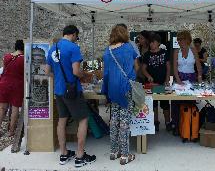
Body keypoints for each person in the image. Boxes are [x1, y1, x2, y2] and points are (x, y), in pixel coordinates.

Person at [46, 25, 96, 167]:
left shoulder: (52, 48)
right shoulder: (73, 48)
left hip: (59, 90)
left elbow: (48, 71)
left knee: (62, 120)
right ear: (74, 34)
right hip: (72, 90)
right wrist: (85, 75)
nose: (76, 39)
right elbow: (76, 72)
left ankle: (64, 153)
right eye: (76, 37)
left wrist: (60, 78)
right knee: (83, 119)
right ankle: (80, 156)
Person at [101, 25, 138, 165]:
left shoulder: (107, 51)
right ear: (124, 34)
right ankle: (125, 155)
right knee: (124, 121)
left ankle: (113, 151)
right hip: (125, 87)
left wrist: (105, 92)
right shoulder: (129, 48)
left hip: (112, 88)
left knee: (114, 119)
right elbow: (135, 66)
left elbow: (106, 73)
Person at [171, 30, 202, 135]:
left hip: (191, 78)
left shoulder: (193, 50)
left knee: (190, 101)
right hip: (179, 77)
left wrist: (200, 78)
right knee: (175, 102)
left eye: (182, 39)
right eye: (178, 39)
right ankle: (175, 124)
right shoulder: (176, 52)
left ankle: (189, 125)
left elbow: (198, 66)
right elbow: (174, 68)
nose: (180, 41)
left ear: (187, 40)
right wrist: (178, 80)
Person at [142, 33, 171, 132]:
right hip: (151, 85)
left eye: (153, 42)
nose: (151, 44)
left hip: (162, 83)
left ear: (158, 43)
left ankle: (167, 122)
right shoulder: (147, 54)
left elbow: (168, 67)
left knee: (165, 104)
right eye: (150, 42)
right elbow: (143, 69)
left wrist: (167, 80)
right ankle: (155, 122)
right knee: (153, 104)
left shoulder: (164, 52)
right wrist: (148, 76)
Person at [0, 40, 24, 137]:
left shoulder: (6, 56)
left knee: (2, 108)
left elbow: (4, 69)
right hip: (17, 85)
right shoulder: (23, 59)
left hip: (4, 84)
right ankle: (11, 131)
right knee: (15, 108)